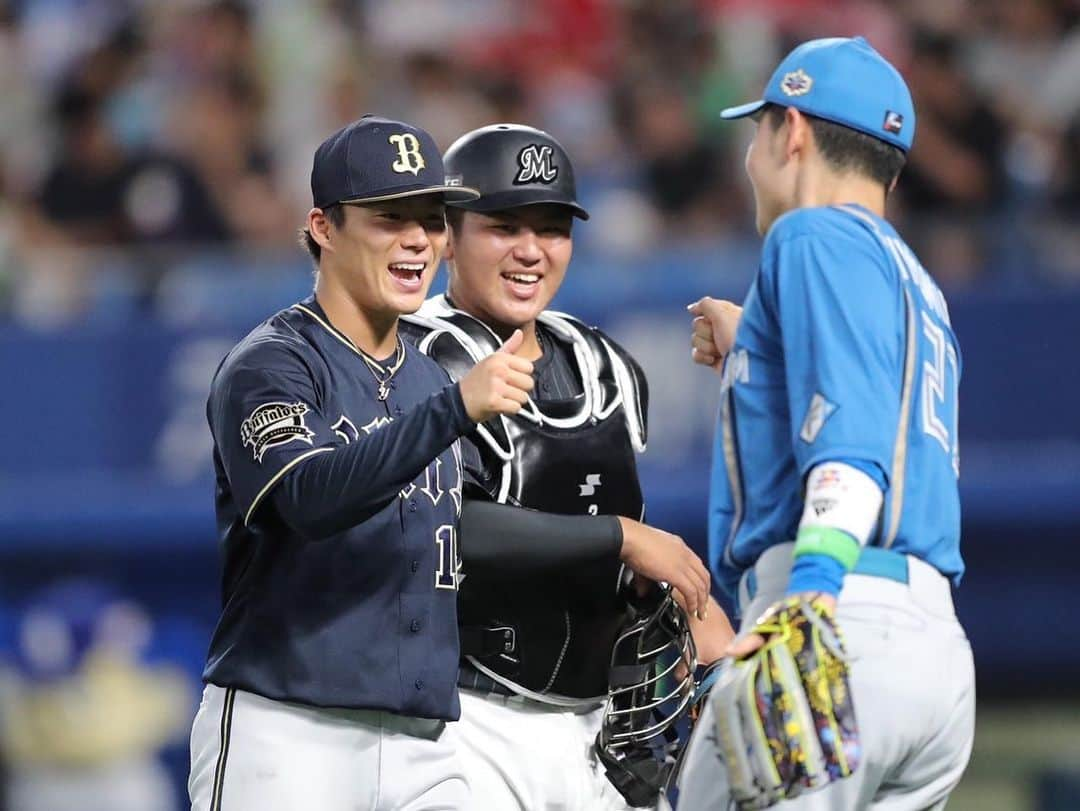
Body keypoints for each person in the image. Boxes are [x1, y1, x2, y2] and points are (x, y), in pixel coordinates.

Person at [187, 115, 535, 811]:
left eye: (433, 219)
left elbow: (464, 543)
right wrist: (455, 410)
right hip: (287, 731)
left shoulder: (431, 379)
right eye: (389, 217)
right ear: (323, 226)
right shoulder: (273, 363)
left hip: (426, 745)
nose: (419, 240)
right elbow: (309, 498)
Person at [676, 37, 975, 810]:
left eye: (759, 129)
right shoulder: (919, 286)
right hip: (932, 653)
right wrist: (757, 343)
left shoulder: (810, 235)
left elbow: (853, 449)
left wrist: (810, 603)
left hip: (834, 611)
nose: (752, 154)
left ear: (795, 131)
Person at [399, 123, 733, 810]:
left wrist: (687, 607)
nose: (530, 250)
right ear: (447, 235)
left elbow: (624, 534)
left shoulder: (603, 362)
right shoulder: (412, 359)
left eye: (551, 228)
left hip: (598, 730)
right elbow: (442, 526)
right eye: (503, 225)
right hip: (457, 722)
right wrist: (624, 536)